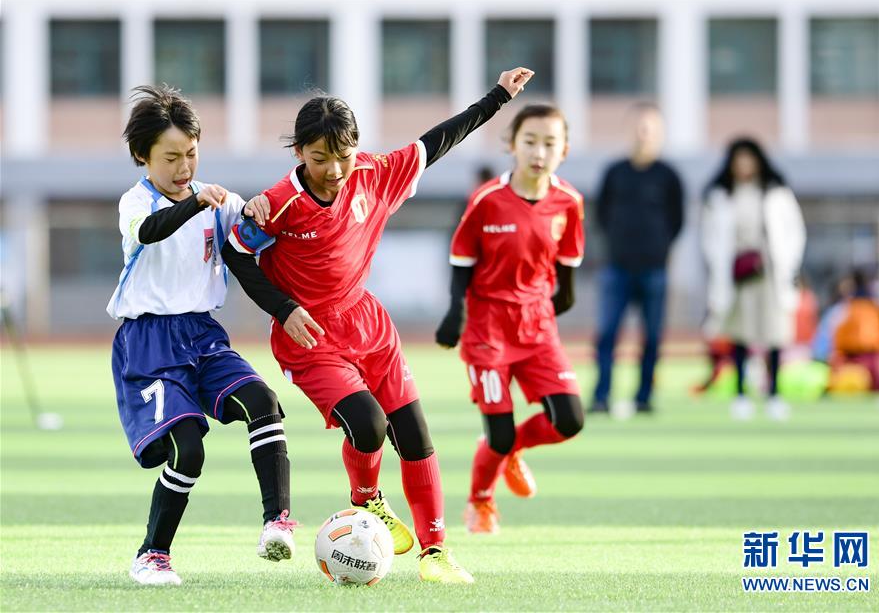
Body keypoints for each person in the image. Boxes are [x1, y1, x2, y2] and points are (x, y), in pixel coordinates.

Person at [221, 67, 535, 584]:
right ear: (299, 152)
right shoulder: (277, 204)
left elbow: (438, 140)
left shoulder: (373, 173)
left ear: (356, 149)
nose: (333, 170)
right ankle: (367, 499)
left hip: (369, 325)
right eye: (319, 158)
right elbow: (238, 256)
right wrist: (284, 309)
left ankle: (435, 553)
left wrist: (498, 97)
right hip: (310, 338)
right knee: (369, 425)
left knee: (414, 436)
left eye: (342, 157)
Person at [108, 85, 294, 586]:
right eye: (171, 157)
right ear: (142, 156)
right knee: (188, 449)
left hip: (204, 335)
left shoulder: (219, 199)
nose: (184, 166)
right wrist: (196, 205)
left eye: (191, 153)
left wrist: (257, 213)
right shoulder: (135, 202)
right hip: (148, 344)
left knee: (264, 401)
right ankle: (152, 555)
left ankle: (277, 523)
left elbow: (255, 237)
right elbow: (150, 232)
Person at [434, 104, 585, 534]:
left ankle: (509, 450)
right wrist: (455, 311)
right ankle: (480, 502)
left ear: (564, 151)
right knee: (498, 435)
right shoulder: (487, 200)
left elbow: (568, 266)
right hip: (488, 329)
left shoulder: (569, 202)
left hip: (537, 327)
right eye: (530, 141)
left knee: (569, 420)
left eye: (550, 143)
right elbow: (462, 258)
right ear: (512, 146)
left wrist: (558, 305)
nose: (539, 152)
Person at [701, 137, 806, 420]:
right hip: (737, 274)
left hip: (770, 273)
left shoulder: (775, 193)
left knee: (774, 333)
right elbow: (711, 239)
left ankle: (773, 393)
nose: (744, 166)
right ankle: (741, 393)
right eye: (739, 161)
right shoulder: (721, 196)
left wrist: (789, 263)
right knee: (740, 334)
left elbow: (793, 231)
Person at [591, 103, 683, 414]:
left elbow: (677, 220)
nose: (644, 134)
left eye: (651, 128)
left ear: (660, 133)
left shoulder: (668, 176)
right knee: (607, 335)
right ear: (630, 129)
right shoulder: (615, 173)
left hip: (655, 270)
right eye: (639, 126)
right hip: (616, 268)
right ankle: (601, 396)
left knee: (653, 337)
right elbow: (601, 214)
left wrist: (659, 248)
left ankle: (644, 396)